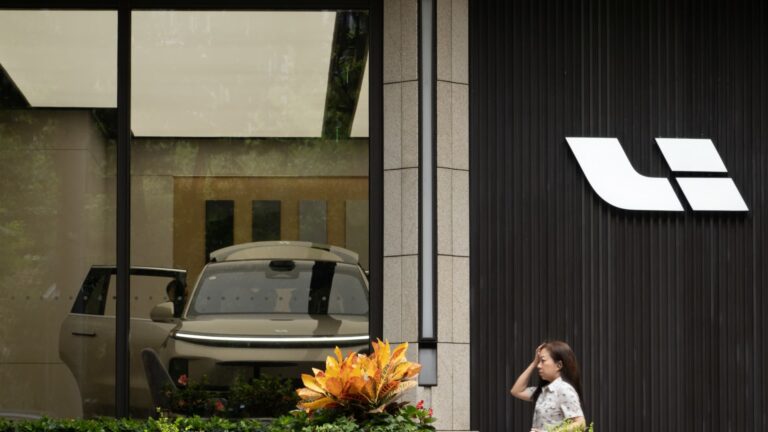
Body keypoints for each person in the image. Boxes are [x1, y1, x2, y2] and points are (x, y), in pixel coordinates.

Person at [510, 341, 586, 432]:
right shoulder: (543, 391)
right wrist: (534, 362)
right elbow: (516, 391)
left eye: (543, 361)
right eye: (538, 361)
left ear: (559, 365)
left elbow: (580, 424)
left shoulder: (564, 389)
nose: (538, 366)